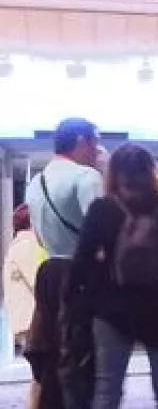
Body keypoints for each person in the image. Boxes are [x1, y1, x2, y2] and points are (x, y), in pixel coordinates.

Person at [69, 143, 158, 409]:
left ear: (113, 173)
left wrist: (83, 301)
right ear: (153, 172)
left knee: (108, 389)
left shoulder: (101, 209)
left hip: (111, 311)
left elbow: (81, 264)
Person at [24, 118, 103, 409]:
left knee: (53, 357)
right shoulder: (87, 177)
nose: (97, 150)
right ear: (82, 141)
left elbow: (40, 240)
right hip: (82, 276)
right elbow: (101, 234)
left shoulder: (36, 182)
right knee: (83, 360)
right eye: (95, 142)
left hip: (49, 274)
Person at [5, 204, 40, 356]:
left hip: (25, 321)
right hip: (32, 320)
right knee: (45, 372)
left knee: (41, 372)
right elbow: (37, 280)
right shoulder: (27, 245)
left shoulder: (17, 246)